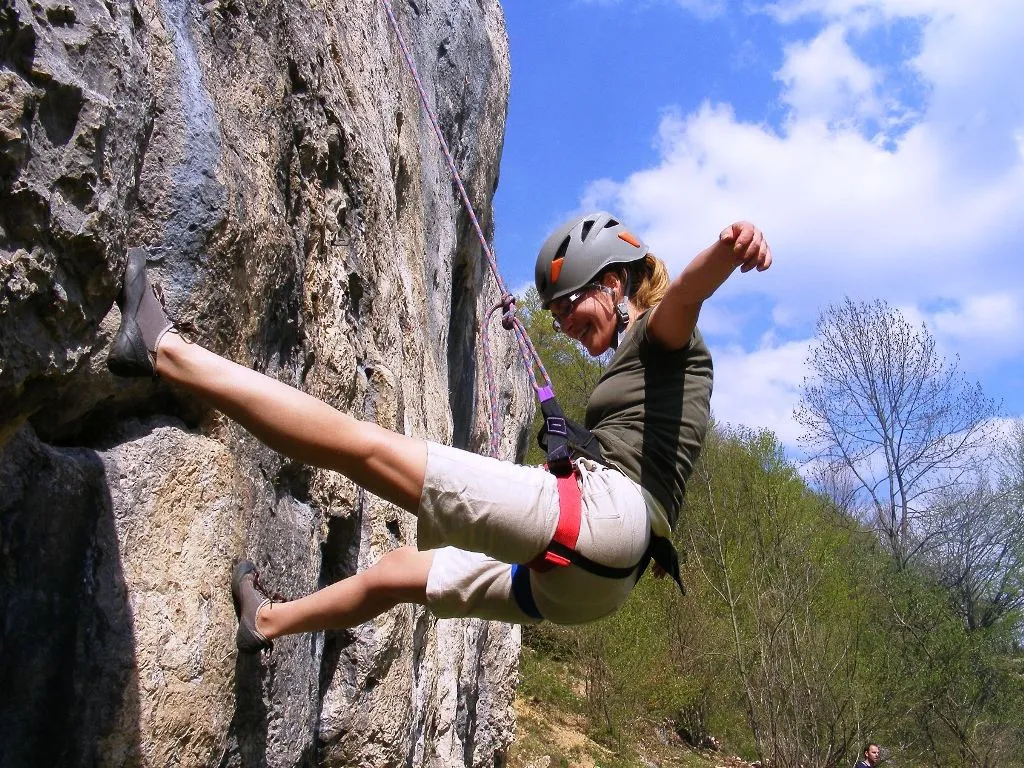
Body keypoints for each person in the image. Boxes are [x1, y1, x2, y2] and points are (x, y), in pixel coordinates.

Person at [107, 211, 771, 651]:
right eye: (556, 314)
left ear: (617, 279)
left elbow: (684, 293)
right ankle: (266, 622)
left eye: (571, 303)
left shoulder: (663, 339)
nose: (565, 322)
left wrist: (728, 246)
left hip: (603, 522)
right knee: (400, 572)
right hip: (591, 586)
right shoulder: (646, 375)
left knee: (361, 446)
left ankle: (163, 350)